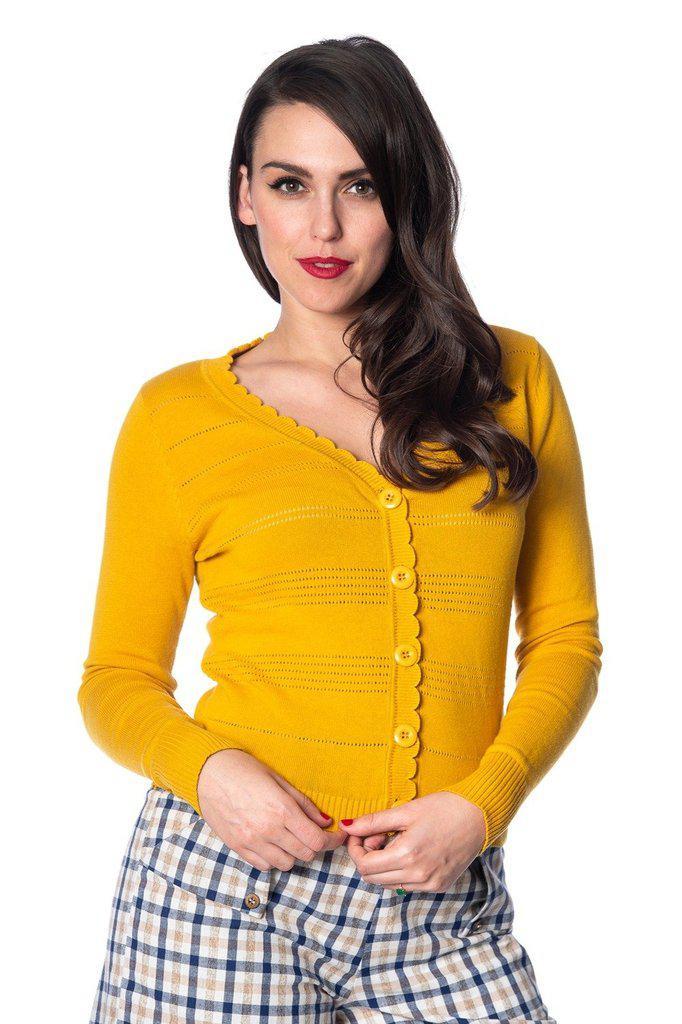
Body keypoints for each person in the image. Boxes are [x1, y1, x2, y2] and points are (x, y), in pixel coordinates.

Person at [79, 34, 602, 1024]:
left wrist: (484, 802)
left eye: (359, 186)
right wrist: (211, 772)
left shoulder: (511, 379)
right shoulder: (176, 417)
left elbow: (567, 638)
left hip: (444, 902)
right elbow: (115, 678)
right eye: (289, 184)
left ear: (406, 196)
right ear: (246, 196)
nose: (322, 225)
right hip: (223, 890)